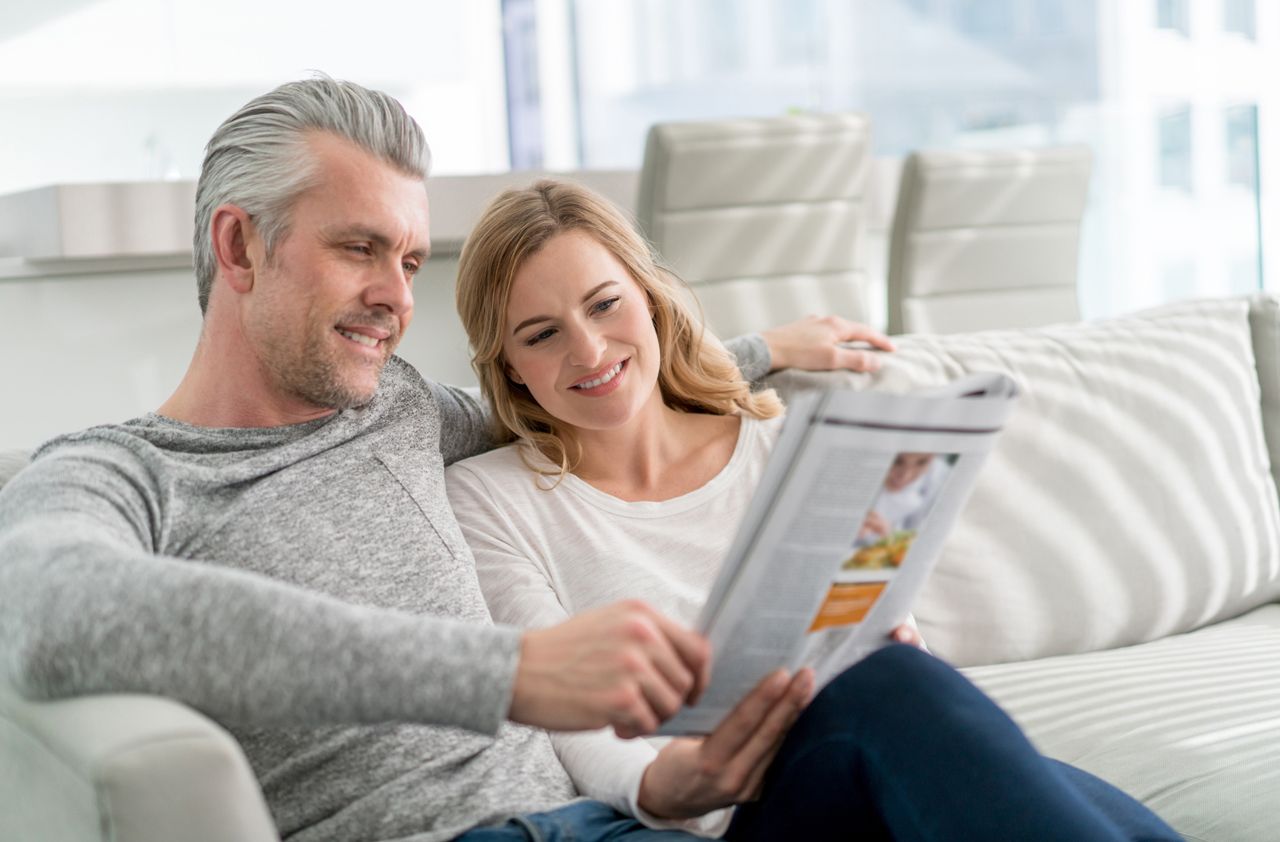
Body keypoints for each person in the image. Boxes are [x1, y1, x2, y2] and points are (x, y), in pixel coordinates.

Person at [0, 77, 900, 842]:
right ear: (238, 245)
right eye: (360, 248)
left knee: (900, 709)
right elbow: (50, 611)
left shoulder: (398, 410)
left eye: (410, 260)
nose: (396, 297)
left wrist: (765, 347)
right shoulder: (120, 472)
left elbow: (573, 383)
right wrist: (511, 674)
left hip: (608, 824)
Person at [445, 179, 1181, 840]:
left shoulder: (783, 445)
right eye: (542, 334)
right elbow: (557, 703)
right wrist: (671, 786)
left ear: (649, 296)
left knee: (1096, 809)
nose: (590, 347)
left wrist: (896, 638)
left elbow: (881, 636)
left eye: (605, 304)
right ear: (509, 364)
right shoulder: (491, 500)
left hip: (865, 745)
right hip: (735, 813)